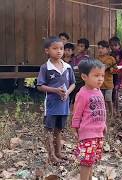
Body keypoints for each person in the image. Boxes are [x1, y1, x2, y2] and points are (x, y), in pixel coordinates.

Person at [37, 36, 76, 164]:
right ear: (47, 51)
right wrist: (55, 91)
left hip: (64, 104)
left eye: (61, 48)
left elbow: (73, 84)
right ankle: (51, 155)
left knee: (59, 129)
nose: (59, 51)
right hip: (51, 105)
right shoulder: (45, 68)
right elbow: (40, 86)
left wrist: (67, 93)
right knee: (49, 129)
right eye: (55, 48)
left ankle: (58, 152)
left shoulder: (67, 67)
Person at [71, 59, 107, 180]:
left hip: (98, 133)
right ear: (84, 77)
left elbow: (102, 110)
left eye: (102, 75)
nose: (100, 79)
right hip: (87, 134)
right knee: (86, 161)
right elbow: (77, 112)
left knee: (91, 160)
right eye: (96, 75)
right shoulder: (83, 94)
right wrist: (75, 127)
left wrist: (104, 125)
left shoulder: (99, 92)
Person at [97, 40, 117, 120]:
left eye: (102, 48)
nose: (100, 50)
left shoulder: (111, 59)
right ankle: (102, 114)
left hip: (109, 84)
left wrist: (112, 69)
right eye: (99, 48)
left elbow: (116, 70)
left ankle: (111, 115)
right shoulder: (96, 59)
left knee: (108, 100)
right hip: (99, 84)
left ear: (108, 49)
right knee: (100, 100)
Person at [69, 38, 90, 105]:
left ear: (85, 48)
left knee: (77, 100)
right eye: (78, 45)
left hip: (81, 82)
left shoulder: (86, 58)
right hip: (72, 81)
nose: (79, 47)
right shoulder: (74, 57)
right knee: (70, 99)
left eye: (82, 46)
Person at [109, 36, 122, 117]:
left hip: (119, 74)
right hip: (113, 74)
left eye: (115, 45)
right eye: (112, 45)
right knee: (113, 92)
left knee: (116, 90)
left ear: (119, 45)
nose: (113, 47)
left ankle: (118, 110)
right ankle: (114, 110)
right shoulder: (110, 54)